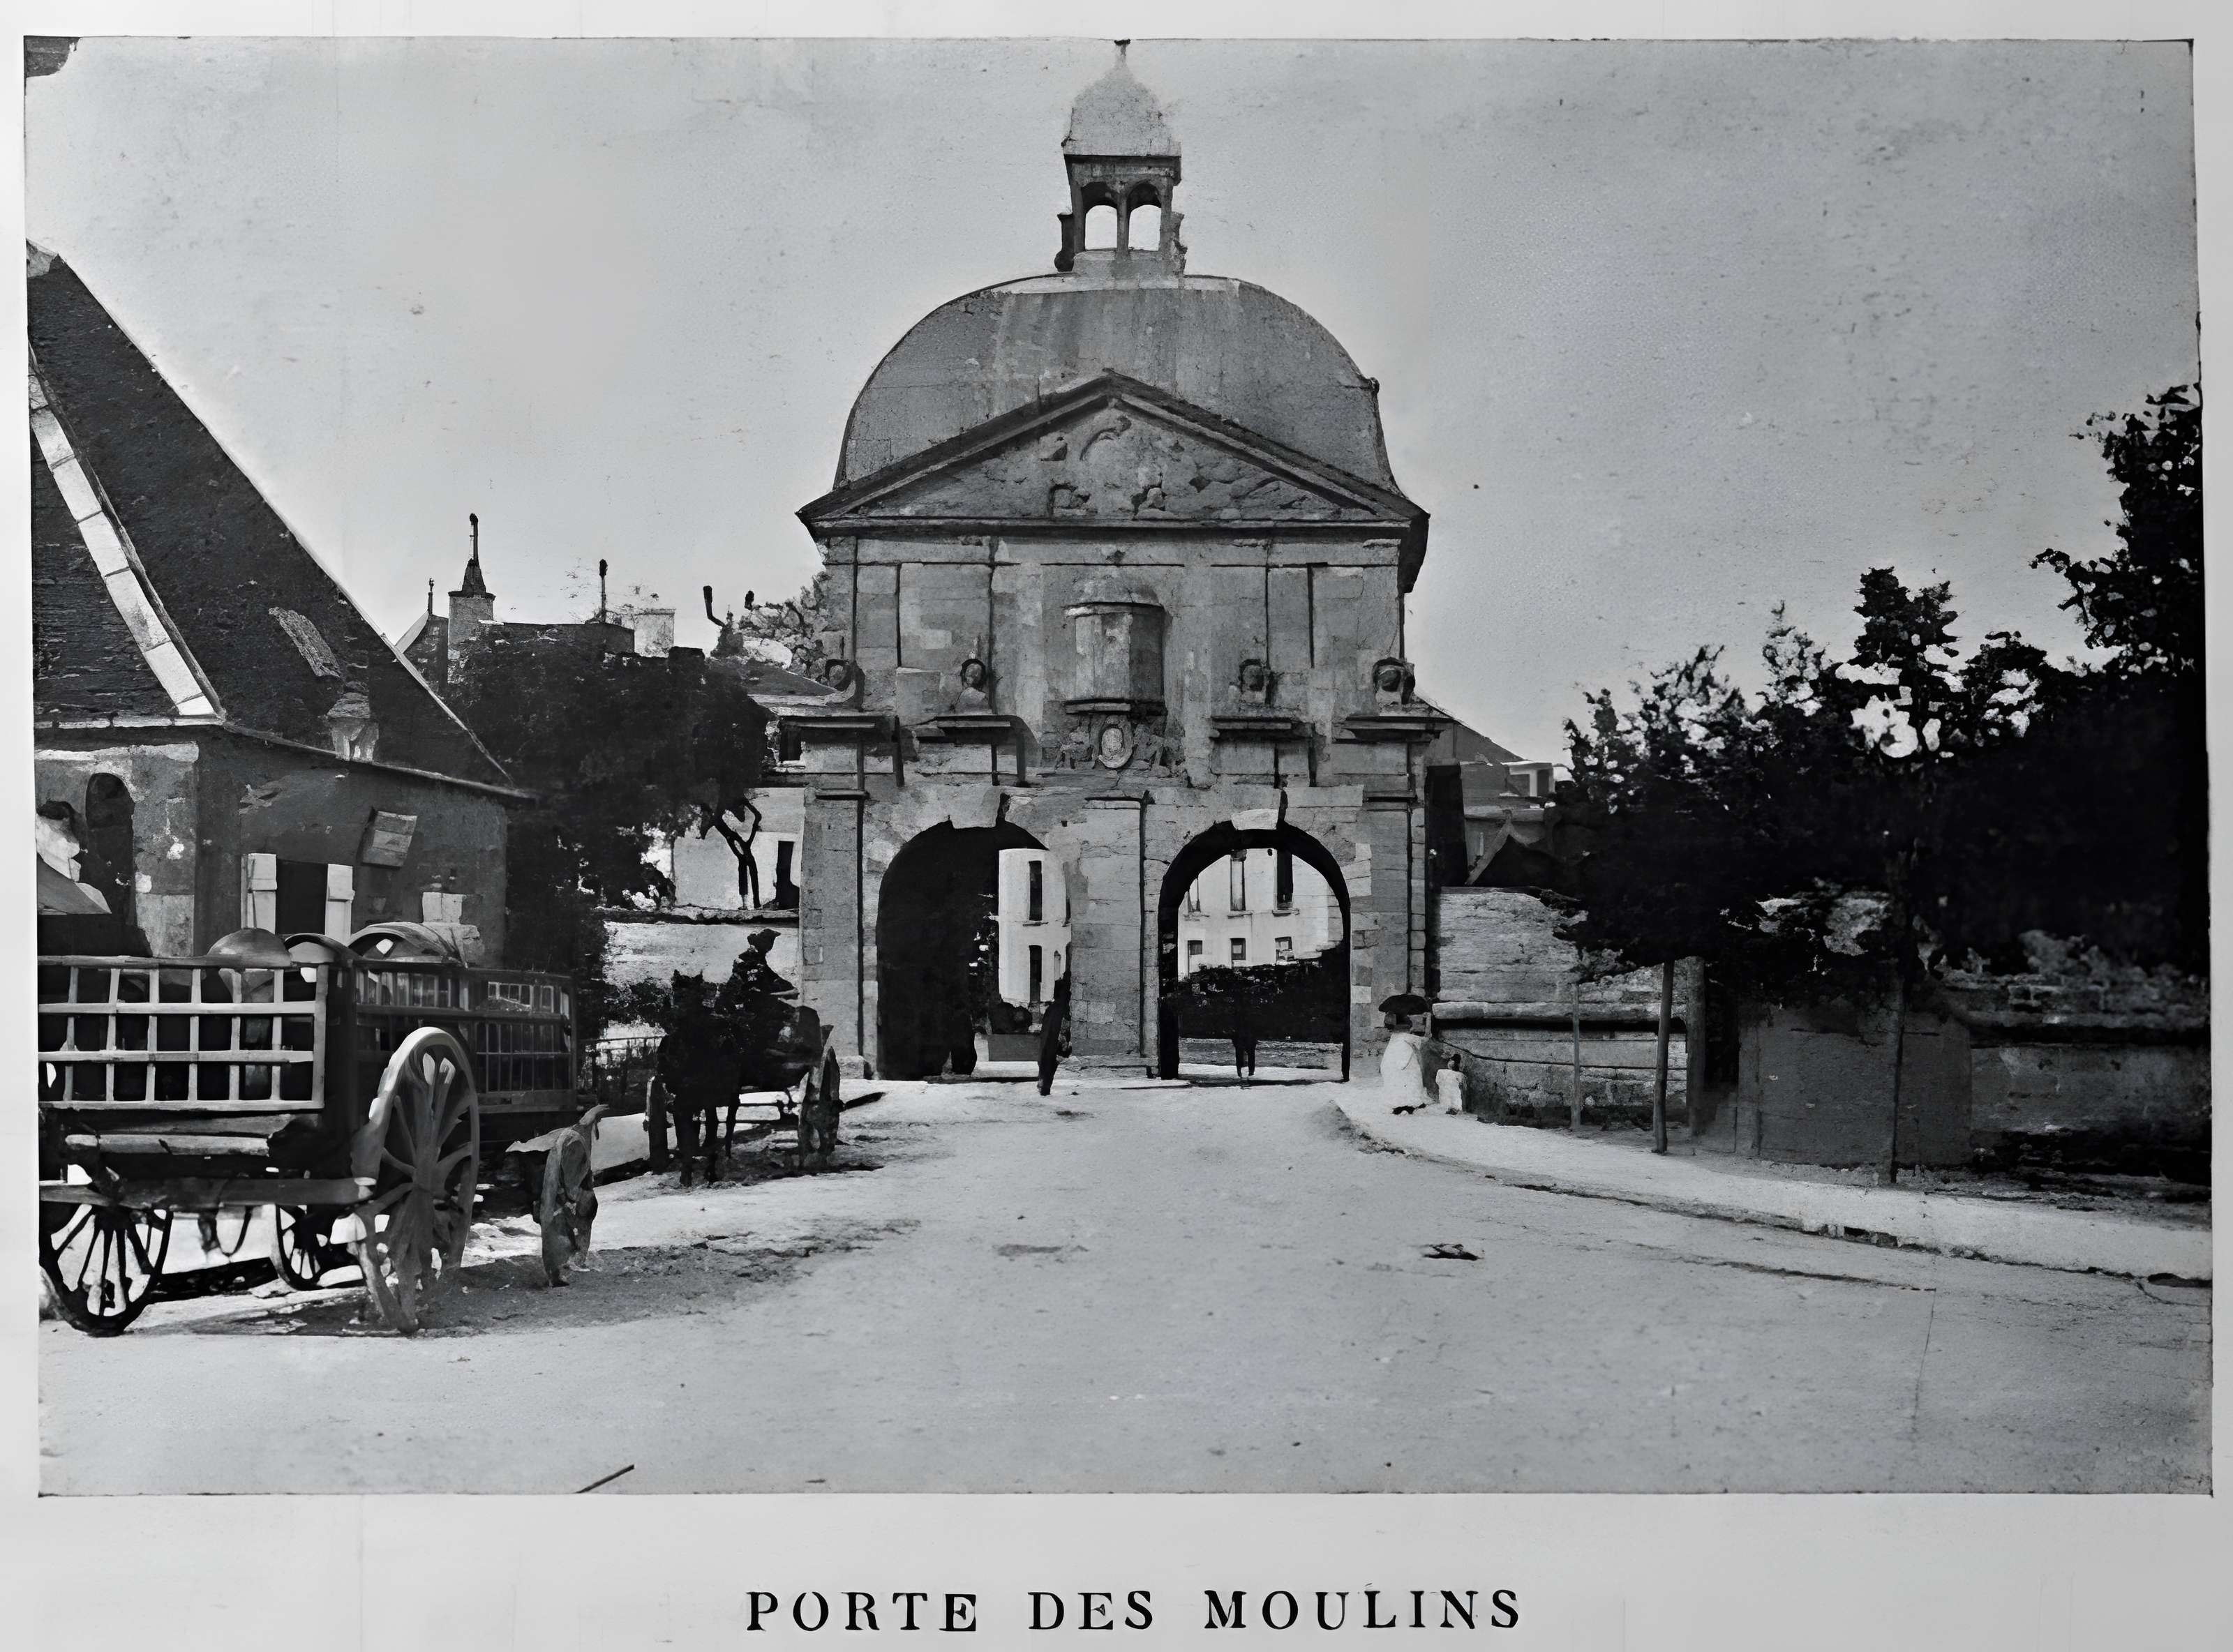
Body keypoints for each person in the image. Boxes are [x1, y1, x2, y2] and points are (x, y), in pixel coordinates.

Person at [1036, 973, 1071, 1096]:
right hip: (1054, 1040)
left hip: (1050, 1040)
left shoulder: (1053, 1008)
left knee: (1046, 1061)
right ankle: (1044, 1084)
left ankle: (1044, 1084)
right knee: (1049, 1063)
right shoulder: (1063, 1008)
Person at [1230, 976, 1258, 1081]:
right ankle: (1249, 1071)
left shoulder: (1238, 1000)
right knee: (1249, 1051)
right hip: (1246, 1029)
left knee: (1241, 1051)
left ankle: (1242, 1071)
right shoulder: (1251, 999)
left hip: (1242, 1029)